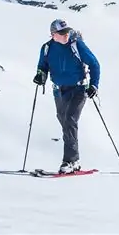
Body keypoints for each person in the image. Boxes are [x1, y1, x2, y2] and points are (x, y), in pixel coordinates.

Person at [33, 19, 101, 174]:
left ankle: (70, 160)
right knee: (64, 120)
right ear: (53, 34)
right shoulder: (47, 48)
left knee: (70, 120)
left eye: (67, 31)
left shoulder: (76, 45)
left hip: (78, 89)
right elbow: (42, 66)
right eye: (62, 32)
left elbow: (94, 64)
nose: (66, 34)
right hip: (58, 91)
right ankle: (75, 161)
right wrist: (40, 76)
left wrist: (94, 85)